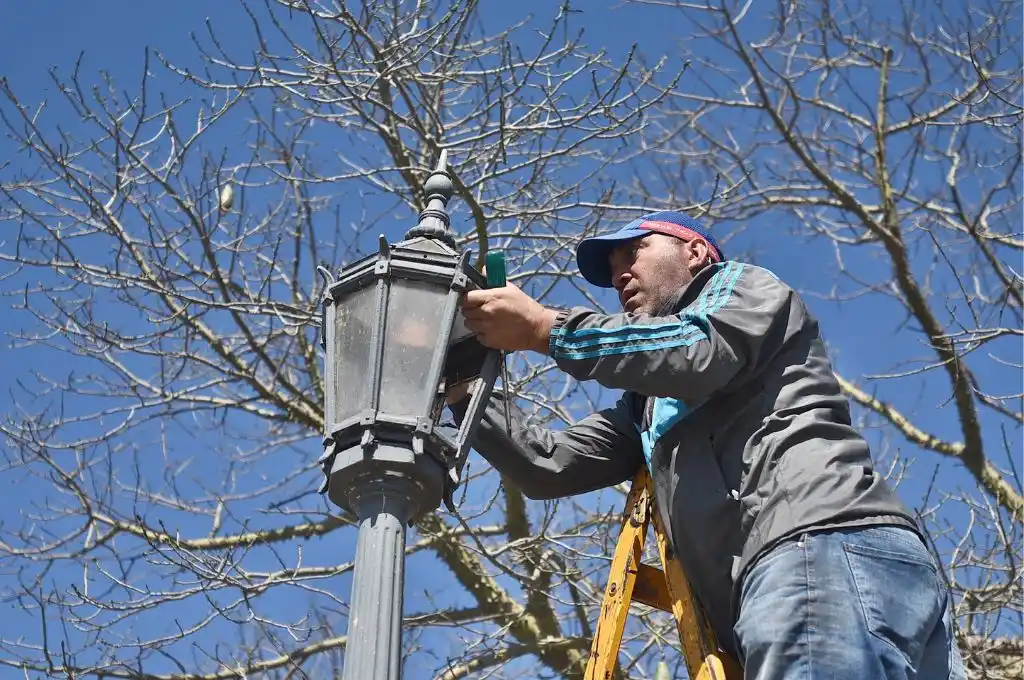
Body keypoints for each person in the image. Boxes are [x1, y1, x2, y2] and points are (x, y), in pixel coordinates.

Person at [446, 211, 965, 680]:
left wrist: (545, 328)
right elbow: (549, 466)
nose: (621, 274)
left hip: (820, 544)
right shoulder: (646, 405)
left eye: (634, 253)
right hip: (795, 578)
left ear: (695, 253)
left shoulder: (741, 289)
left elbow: (697, 350)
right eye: (612, 269)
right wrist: (463, 384)